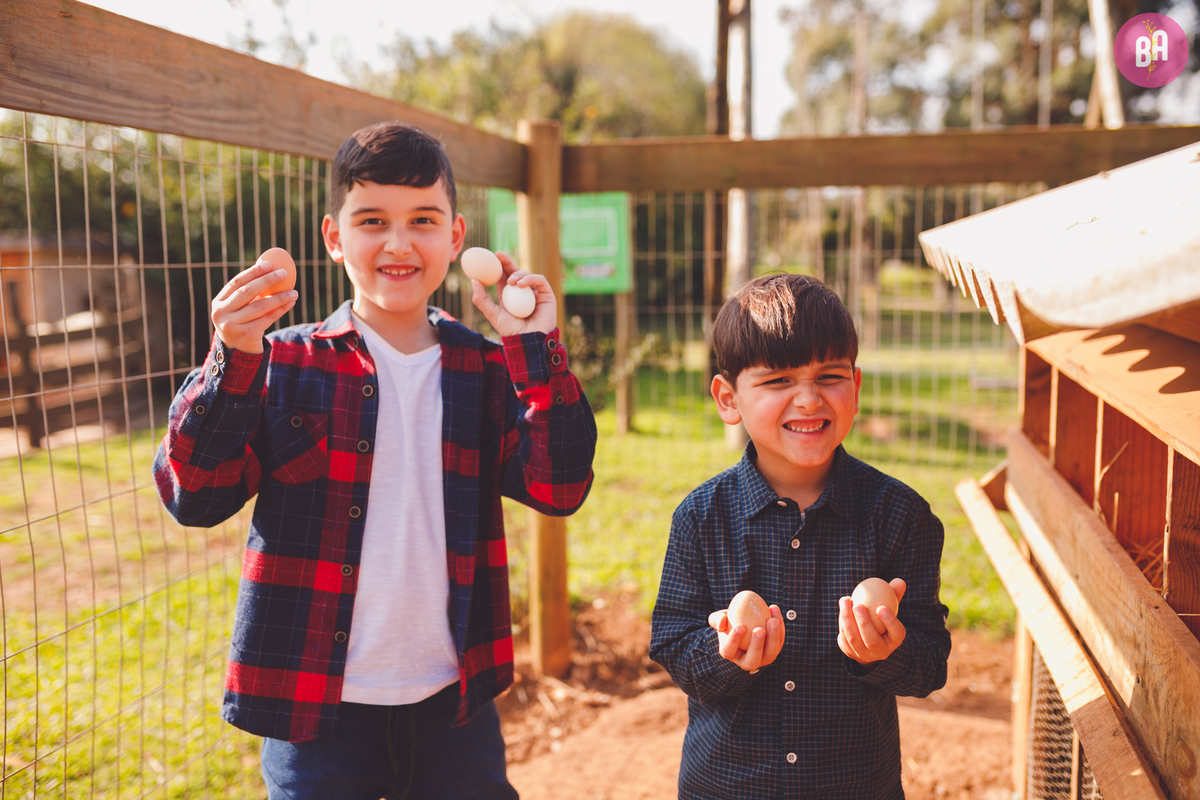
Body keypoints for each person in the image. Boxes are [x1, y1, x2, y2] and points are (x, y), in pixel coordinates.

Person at [153, 121, 597, 800]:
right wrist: (231, 360)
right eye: (372, 220)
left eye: (423, 220)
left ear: (455, 236)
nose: (398, 243)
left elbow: (559, 486)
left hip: (454, 703)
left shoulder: (484, 369)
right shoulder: (281, 364)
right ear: (334, 237)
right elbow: (195, 496)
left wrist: (536, 351)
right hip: (315, 709)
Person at [649, 274, 950, 799]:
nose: (808, 400)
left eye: (829, 376)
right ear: (728, 398)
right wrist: (725, 655)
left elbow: (929, 664)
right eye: (778, 381)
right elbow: (673, 646)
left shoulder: (901, 515)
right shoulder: (701, 518)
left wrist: (888, 653)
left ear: (855, 387)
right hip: (726, 787)